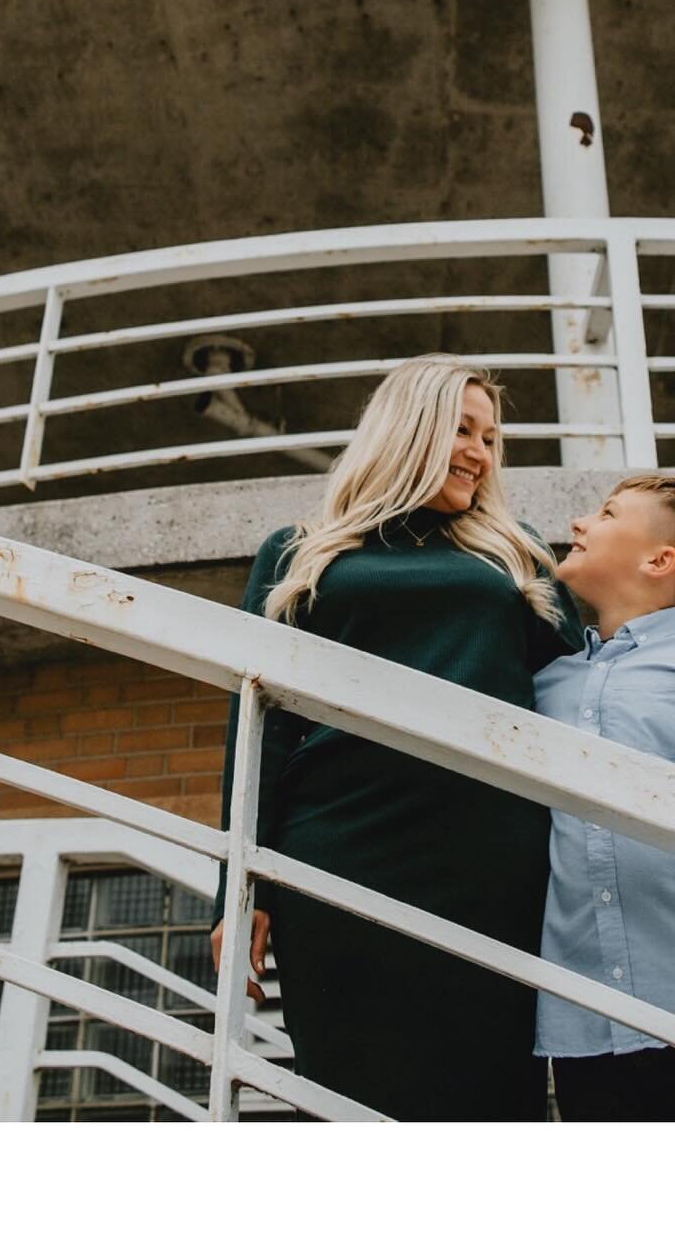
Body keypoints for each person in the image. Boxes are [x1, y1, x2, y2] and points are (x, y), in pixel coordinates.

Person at [209, 354, 583, 1120]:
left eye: (491, 437)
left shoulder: (514, 551)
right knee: (356, 1094)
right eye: (463, 430)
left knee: (492, 1098)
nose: (482, 452)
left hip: (492, 862)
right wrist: (238, 887)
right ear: (409, 429)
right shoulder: (302, 550)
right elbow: (260, 727)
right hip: (339, 854)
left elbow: (572, 689)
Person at [533, 472, 675, 1122]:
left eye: (607, 513)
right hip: (584, 1024)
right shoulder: (546, 683)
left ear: (659, 559)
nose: (579, 524)